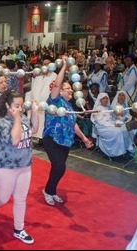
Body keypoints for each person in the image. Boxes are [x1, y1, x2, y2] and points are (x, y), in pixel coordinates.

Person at [0, 90, 38, 244]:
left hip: (24, 165)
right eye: (16, 106)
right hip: (5, 167)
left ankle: (19, 229)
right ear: (7, 105)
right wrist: (18, 118)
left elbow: (33, 130)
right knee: (2, 198)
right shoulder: (0, 122)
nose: (20, 109)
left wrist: (34, 112)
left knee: (21, 199)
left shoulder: (23, 117)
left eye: (21, 106)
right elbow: (14, 140)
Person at [41, 57, 93, 206]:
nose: (71, 89)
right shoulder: (54, 100)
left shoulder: (69, 106)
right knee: (60, 167)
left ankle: (51, 191)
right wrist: (64, 66)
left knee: (58, 169)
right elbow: (57, 84)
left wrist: (83, 138)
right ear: (59, 91)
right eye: (67, 88)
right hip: (52, 139)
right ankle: (48, 191)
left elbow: (73, 123)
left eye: (71, 87)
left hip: (66, 140)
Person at [91, 93, 133, 158]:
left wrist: (118, 122)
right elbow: (101, 122)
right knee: (118, 131)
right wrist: (113, 125)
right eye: (103, 98)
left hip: (110, 125)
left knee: (126, 128)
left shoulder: (108, 108)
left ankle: (127, 148)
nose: (105, 100)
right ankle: (118, 152)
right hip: (102, 128)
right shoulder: (97, 109)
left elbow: (113, 118)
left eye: (106, 98)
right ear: (100, 100)